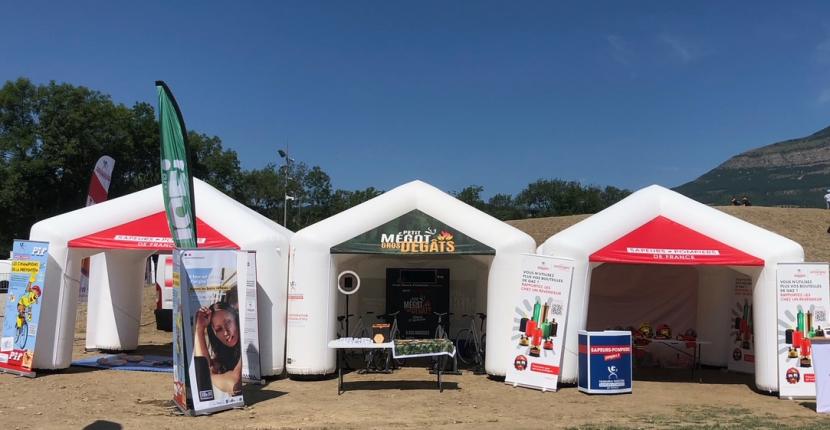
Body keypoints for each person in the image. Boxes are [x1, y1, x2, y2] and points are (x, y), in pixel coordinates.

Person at [193, 301, 242, 396]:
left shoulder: (246, 342)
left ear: (236, 320)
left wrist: (209, 376)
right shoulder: (225, 353)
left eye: (228, 322)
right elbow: (203, 367)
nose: (226, 333)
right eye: (219, 329)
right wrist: (199, 328)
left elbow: (234, 384)